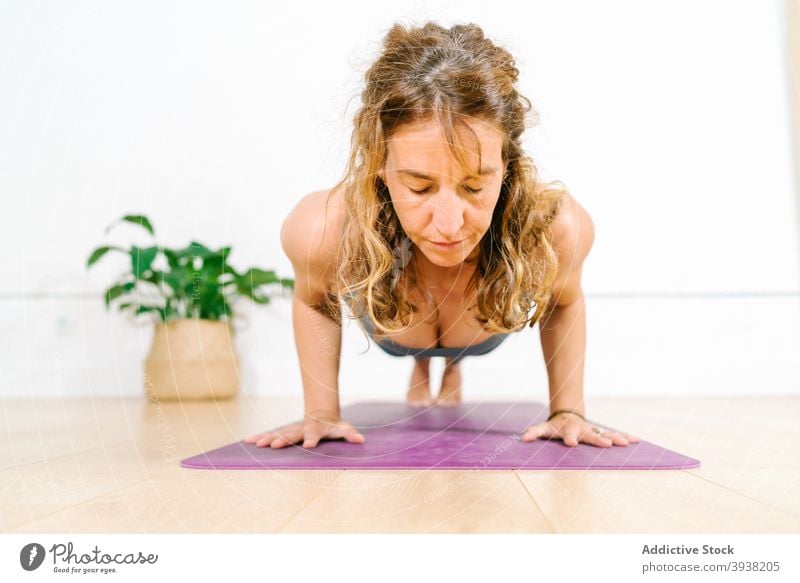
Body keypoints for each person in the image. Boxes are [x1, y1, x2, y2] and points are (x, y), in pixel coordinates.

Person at [246, 21, 639, 450]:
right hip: (397, 323)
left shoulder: (556, 229)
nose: (450, 226)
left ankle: (451, 363)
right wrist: (321, 412)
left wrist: (568, 411)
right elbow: (314, 299)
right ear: (380, 163)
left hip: (479, 318)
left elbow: (564, 302)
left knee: (455, 340)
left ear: (506, 167)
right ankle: (424, 364)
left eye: (474, 186)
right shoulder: (322, 230)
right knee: (420, 337)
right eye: (419, 186)